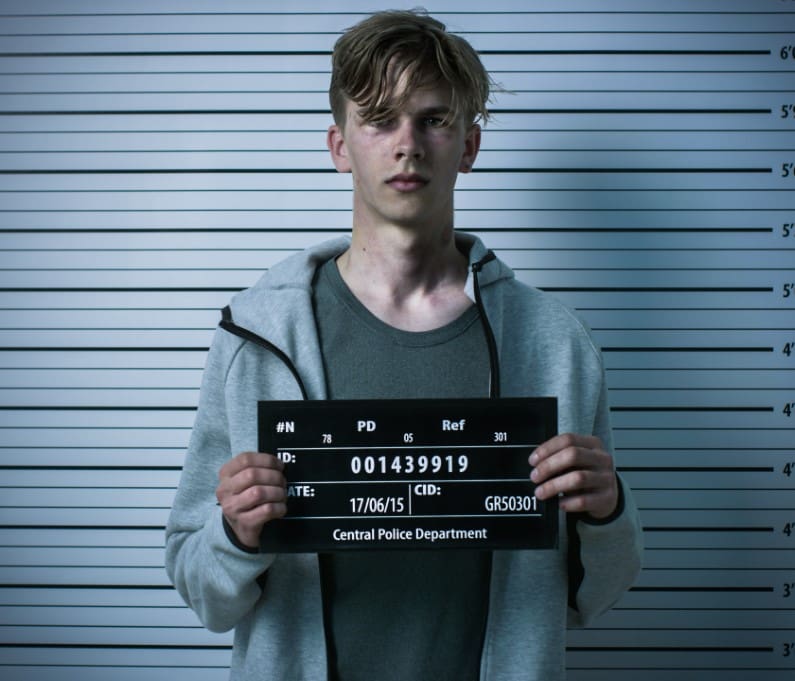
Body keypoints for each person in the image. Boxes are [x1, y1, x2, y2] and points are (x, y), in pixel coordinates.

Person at [165, 9, 643, 680]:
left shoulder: (553, 340)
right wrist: (236, 534)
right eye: (379, 119)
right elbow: (200, 586)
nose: (407, 144)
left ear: (468, 146)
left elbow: (594, 592)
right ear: (339, 146)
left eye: (433, 119)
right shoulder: (257, 334)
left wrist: (605, 510)